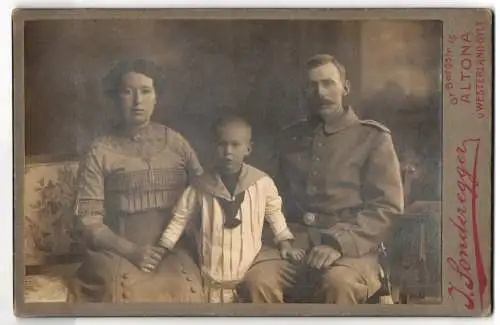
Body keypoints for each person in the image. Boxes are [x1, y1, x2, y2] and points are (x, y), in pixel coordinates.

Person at [239, 54, 404, 304]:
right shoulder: (289, 138)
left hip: (351, 251)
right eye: (312, 86)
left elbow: (387, 207)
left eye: (328, 83)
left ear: (345, 88)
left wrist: (339, 244)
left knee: (339, 284)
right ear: (304, 92)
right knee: (257, 281)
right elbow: (268, 198)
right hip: (291, 246)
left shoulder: (372, 138)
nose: (320, 92)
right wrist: (281, 238)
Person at [68, 59, 205, 303]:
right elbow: (88, 221)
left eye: (145, 91)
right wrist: (131, 251)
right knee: (124, 293)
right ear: (115, 98)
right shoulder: (100, 150)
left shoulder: (176, 143)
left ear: (156, 97)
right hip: (115, 252)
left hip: (171, 251)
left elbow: (204, 193)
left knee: (186, 291)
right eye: (127, 92)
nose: (137, 101)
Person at [149, 116, 305, 303]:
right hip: (211, 275)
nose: (228, 152)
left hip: (248, 274)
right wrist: (162, 248)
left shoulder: (262, 183)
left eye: (235, 145)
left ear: (248, 149)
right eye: (222, 145)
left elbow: (274, 215)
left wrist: (285, 244)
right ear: (214, 147)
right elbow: (179, 219)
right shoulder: (200, 186)